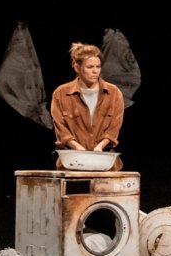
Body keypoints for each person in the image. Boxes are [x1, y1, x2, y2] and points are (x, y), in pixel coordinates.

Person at [50, 42, 125, 170]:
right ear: (76, 67)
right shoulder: (61, 94)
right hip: (72, 162)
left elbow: (114, 127)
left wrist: (100, 147)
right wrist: (78, 148)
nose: (95, 71)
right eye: (90, 67)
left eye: (98, 66)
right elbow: (61, 128)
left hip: (105, 162)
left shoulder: (113, 93)